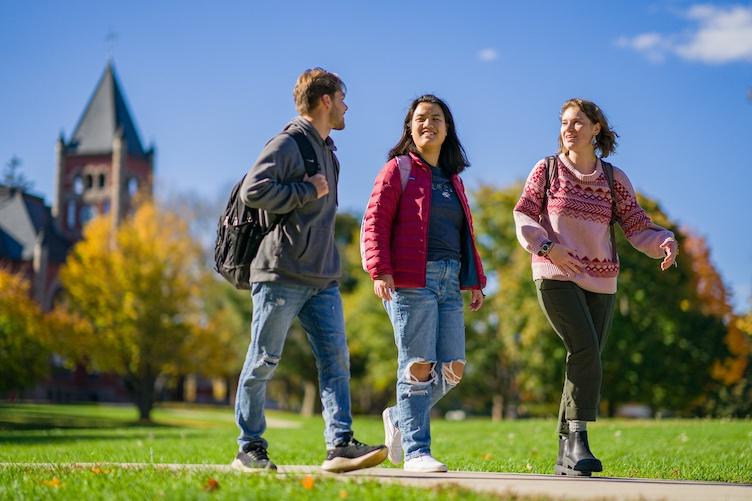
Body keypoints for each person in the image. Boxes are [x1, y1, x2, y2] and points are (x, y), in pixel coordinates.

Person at [232, 68, 387, 473]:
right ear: (325, 101)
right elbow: (253, 189)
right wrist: (306, 190)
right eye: (342, 98)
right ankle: (248, 448)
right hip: (280, 274)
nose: (346, 106)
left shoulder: (327, 149)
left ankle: (339, 445)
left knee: (336, 362)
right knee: (263, 360)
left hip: (322, 278)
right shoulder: (288, 143)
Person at [513, 98, 679, 476]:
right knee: (584, 348)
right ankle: (579, 439)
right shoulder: (548, 169)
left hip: (601, 280)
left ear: (596, 129)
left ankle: (564, 453)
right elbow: (523, 212)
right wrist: (547, 247)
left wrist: (664, 241)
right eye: (564, 123)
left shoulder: (612, 178)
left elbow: (637, 225)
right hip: (554, 273)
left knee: (584, 357)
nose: (568, 129)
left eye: (577, 123)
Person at [362, 95, 486, 473]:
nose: (427, 123)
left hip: (450, 281)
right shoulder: (397, 169)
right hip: (411, 278)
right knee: (417, 365)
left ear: (447, 129)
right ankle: (416, 452)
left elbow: (465, 233)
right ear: (409, 127)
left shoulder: (453, 181)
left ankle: (399, 418)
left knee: (453, 368)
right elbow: (374, 222)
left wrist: (474, 280)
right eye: (420, 118)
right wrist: (379, 268)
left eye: (436, 118)